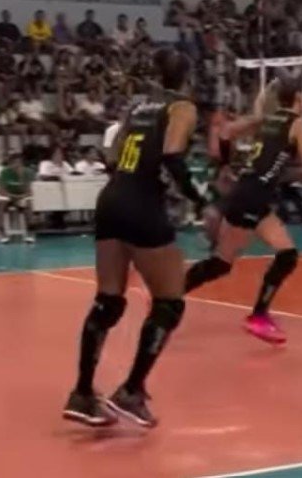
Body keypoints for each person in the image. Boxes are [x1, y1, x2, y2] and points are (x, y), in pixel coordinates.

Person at [62, 49, 202, 428]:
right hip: (142, 204)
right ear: (186, 78)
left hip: (111, 198)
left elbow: (112, 158)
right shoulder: (182, 107)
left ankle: (82, 394)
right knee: (169, 303)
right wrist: (202, 200)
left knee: (108, 301)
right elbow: (172, 157)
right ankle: (132, 391)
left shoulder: (136, 108)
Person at [183, 76, 302, 345]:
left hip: (249, 192)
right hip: (253, 196)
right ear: (299, 97)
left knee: (286, 254)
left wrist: (226, 164)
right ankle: (169, 294)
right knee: (221, 263)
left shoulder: (265, 119)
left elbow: (226, 133)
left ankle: (259, 314)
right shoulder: (297, 123)